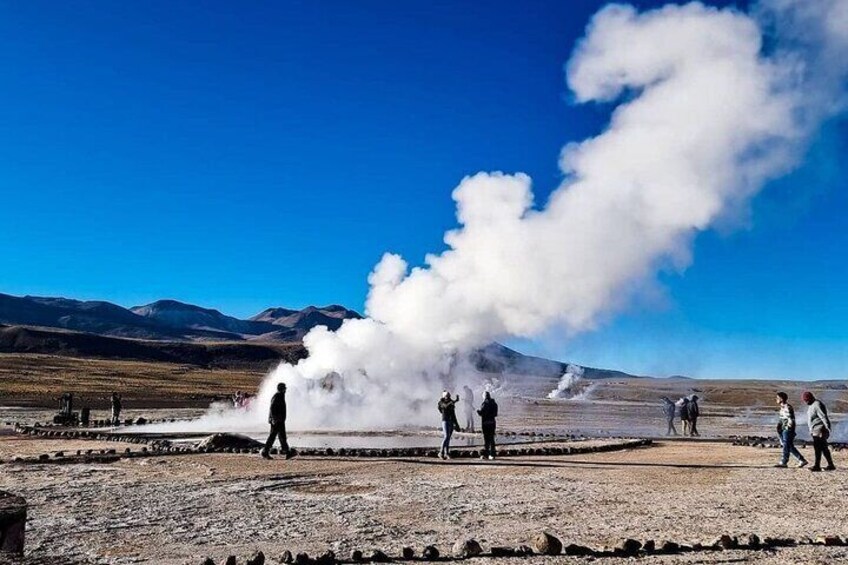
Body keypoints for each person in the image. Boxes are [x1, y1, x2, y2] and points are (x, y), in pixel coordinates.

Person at [802, 391, 835, 472]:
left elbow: (823, 417)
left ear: (810, 398)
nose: (806, 402)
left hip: (819, 429)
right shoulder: (811, 405)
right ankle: (831, 465)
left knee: (818, 448)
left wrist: (828, 428)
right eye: (805, 401)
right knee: (823, 448)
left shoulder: (817, 404)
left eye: (806, 400)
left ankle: (817, 466)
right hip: (815, 430)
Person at [774, 392, 808, 468]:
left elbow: (791, 419)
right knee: (789, 446)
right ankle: (802, 460)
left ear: (781, 399)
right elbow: (782, 419)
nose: (776, 399)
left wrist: (789, 429)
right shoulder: (782, 407)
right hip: (783, 429)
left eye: (777, 398)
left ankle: (784, 462)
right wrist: (779, 427)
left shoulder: (788, 407)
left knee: (786, 445)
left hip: (787, 429)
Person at [261, 383, 292, 460]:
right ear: (282, 389)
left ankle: (287, 452)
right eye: (285, 388)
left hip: (279, 420)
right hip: (277, 420)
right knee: (273, 436)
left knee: (282, 436)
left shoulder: (280, 395)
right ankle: (265, 451)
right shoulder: (278, 396)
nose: (286, 390)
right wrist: (274, 419)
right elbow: (272, 408)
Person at [438, 391, 462, 460]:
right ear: (444, 397)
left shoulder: (451, 403)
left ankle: (447, 453)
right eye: (447, 396)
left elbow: (453, 414)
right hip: (445, 420)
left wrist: (456, 424)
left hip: (451, 421)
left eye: (449, 396)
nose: (448, 397)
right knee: (446, 436)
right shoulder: (441, 402)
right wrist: (453, 402)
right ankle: (441, 452)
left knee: (448, 438)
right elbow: (444, 407)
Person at [477, 391, 498, 460]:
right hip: (492, 423)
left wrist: (479, 412)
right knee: (492, 439)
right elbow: (495, 414)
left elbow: (482, 413)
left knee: (486, 440)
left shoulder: (484, 404)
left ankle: (487, 454)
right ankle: (492, 454)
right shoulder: (494, 403)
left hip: (485, 423)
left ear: (484, 396)